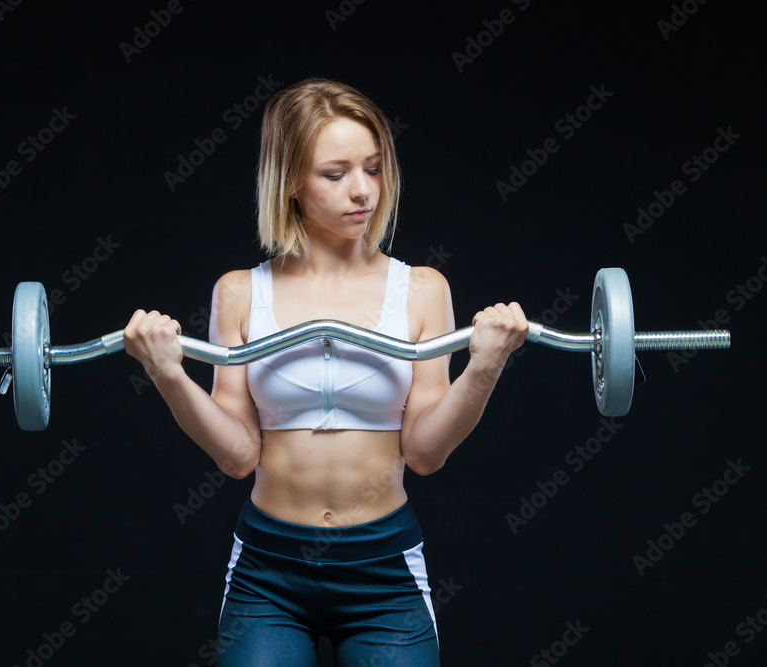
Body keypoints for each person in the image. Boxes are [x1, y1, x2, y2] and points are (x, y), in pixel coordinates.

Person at [123, 78, 529, 665]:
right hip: (269, 568)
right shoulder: (240, 293)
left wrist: (486, 365)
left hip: (383, 567)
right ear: (290, 181)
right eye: (335, 174)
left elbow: (424, 452)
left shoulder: (420, 290)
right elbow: (238, 456)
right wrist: (167, 373)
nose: (362, 191)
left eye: (373, 168)